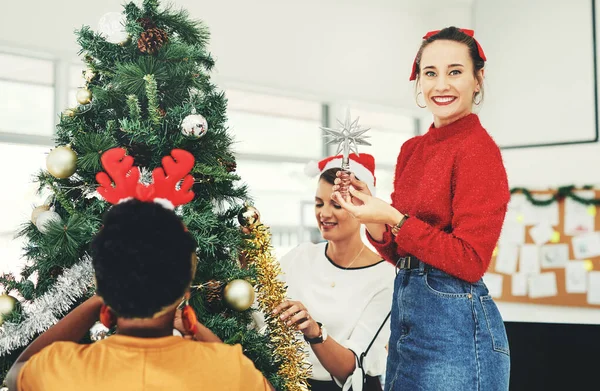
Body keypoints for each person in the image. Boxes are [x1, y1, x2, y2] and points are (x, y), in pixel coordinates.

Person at [332, 27, 511, 390]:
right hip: (407, 314)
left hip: (457, 327)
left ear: (478, 80)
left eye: (455, 71)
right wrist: (372, 216)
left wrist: (393, 217)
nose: (440, 84)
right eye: (430, 73)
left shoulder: (479, 149)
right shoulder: (411, 150)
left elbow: (470, 260)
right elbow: (401, 252)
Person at [6, 148, 272, 391]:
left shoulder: (61, 371)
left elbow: (15, 374)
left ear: (103, 282)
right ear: (184, 285)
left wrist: (98, 299)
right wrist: (195, 326)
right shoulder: (229, 371)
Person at [273, 153, 395, 391]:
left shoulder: (385, 277)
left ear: (362, 209)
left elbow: (352, 368)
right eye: (319, 203)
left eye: (337, 204)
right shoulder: (301, 256)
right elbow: (257, 313)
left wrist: (314, 331)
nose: (324, 214)